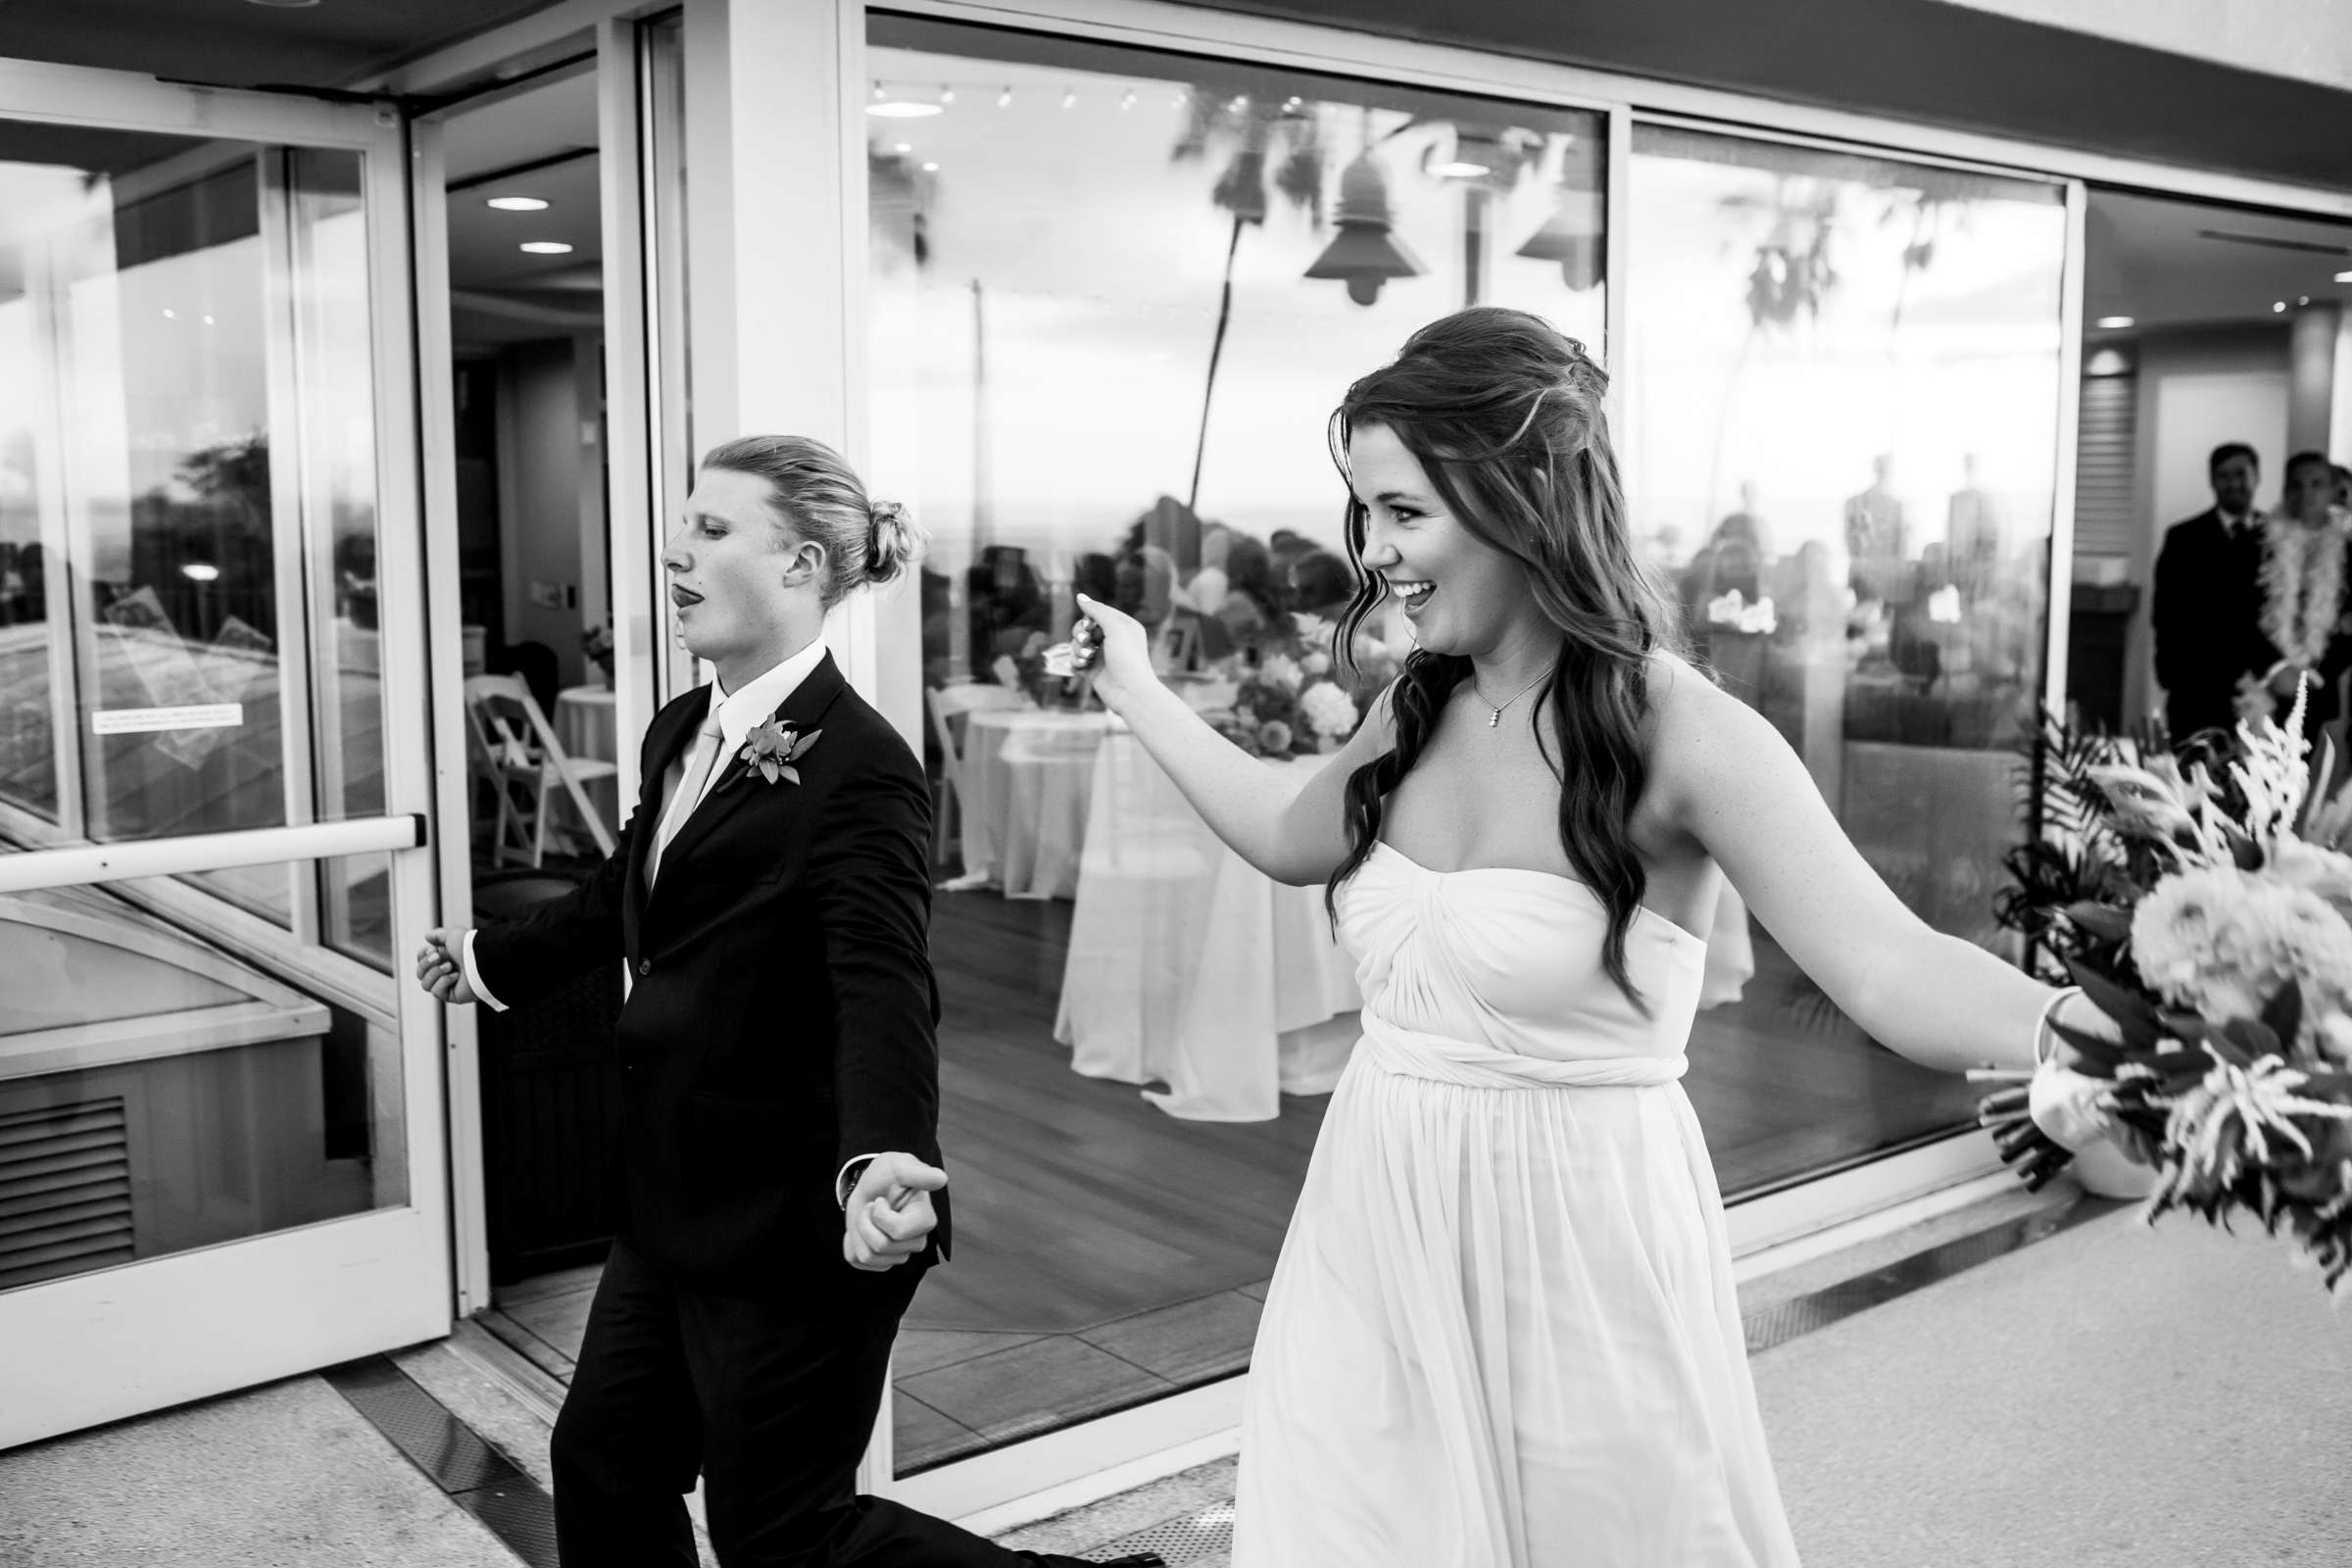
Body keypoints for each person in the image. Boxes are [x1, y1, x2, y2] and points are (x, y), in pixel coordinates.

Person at [1065, 308, 2114, 1568]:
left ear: (1519, 497)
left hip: (1579, 1244)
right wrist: (1133, 686)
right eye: (1368, 516)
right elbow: (1289, 832)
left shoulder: (1687, 730)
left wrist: (2088, 1031)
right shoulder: (1417, 701)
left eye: (1405, 513)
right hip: (1375, 1214)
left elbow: (1884, 963)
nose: (1378, 555)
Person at [415, 436, 1158, 1568]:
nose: (675, 552)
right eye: (682, 526)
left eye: (712, 530)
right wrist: (489, 958)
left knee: (789, 1531)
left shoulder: (862, 763)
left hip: (794, 1216)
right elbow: (633, 888)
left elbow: (883, 980)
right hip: (672, 1193)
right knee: (605, 1464)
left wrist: (886, 1158)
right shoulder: (682, 728)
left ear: (805, 563)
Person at [2151, 441, 2270, 744]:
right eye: (2224, 475)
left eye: (2241, 474)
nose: (2233, 483)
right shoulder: (2183, 537)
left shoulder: (2277, 537)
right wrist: (2172, 674)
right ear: (2212, 481)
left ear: (2256, 477)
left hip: (2256, 691)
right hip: (2195, 688)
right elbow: (2165, 611)